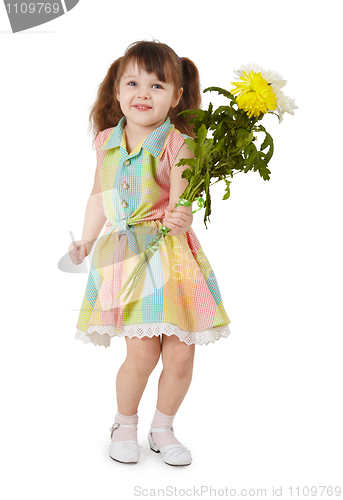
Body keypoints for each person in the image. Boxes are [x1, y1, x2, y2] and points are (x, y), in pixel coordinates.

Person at [68, 40, 231, 467]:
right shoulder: (107, 140)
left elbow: (182, 200)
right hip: (126, 255)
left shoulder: (178, 143)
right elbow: (99, 195)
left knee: (180, 350)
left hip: (169, 255)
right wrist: (86, 239)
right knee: (141, 351)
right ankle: (124, 424)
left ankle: (163, 427)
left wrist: (182, 216)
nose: (144, 93)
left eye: (158, 86)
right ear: (117, 91)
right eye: (133, 82)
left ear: (177, 97)